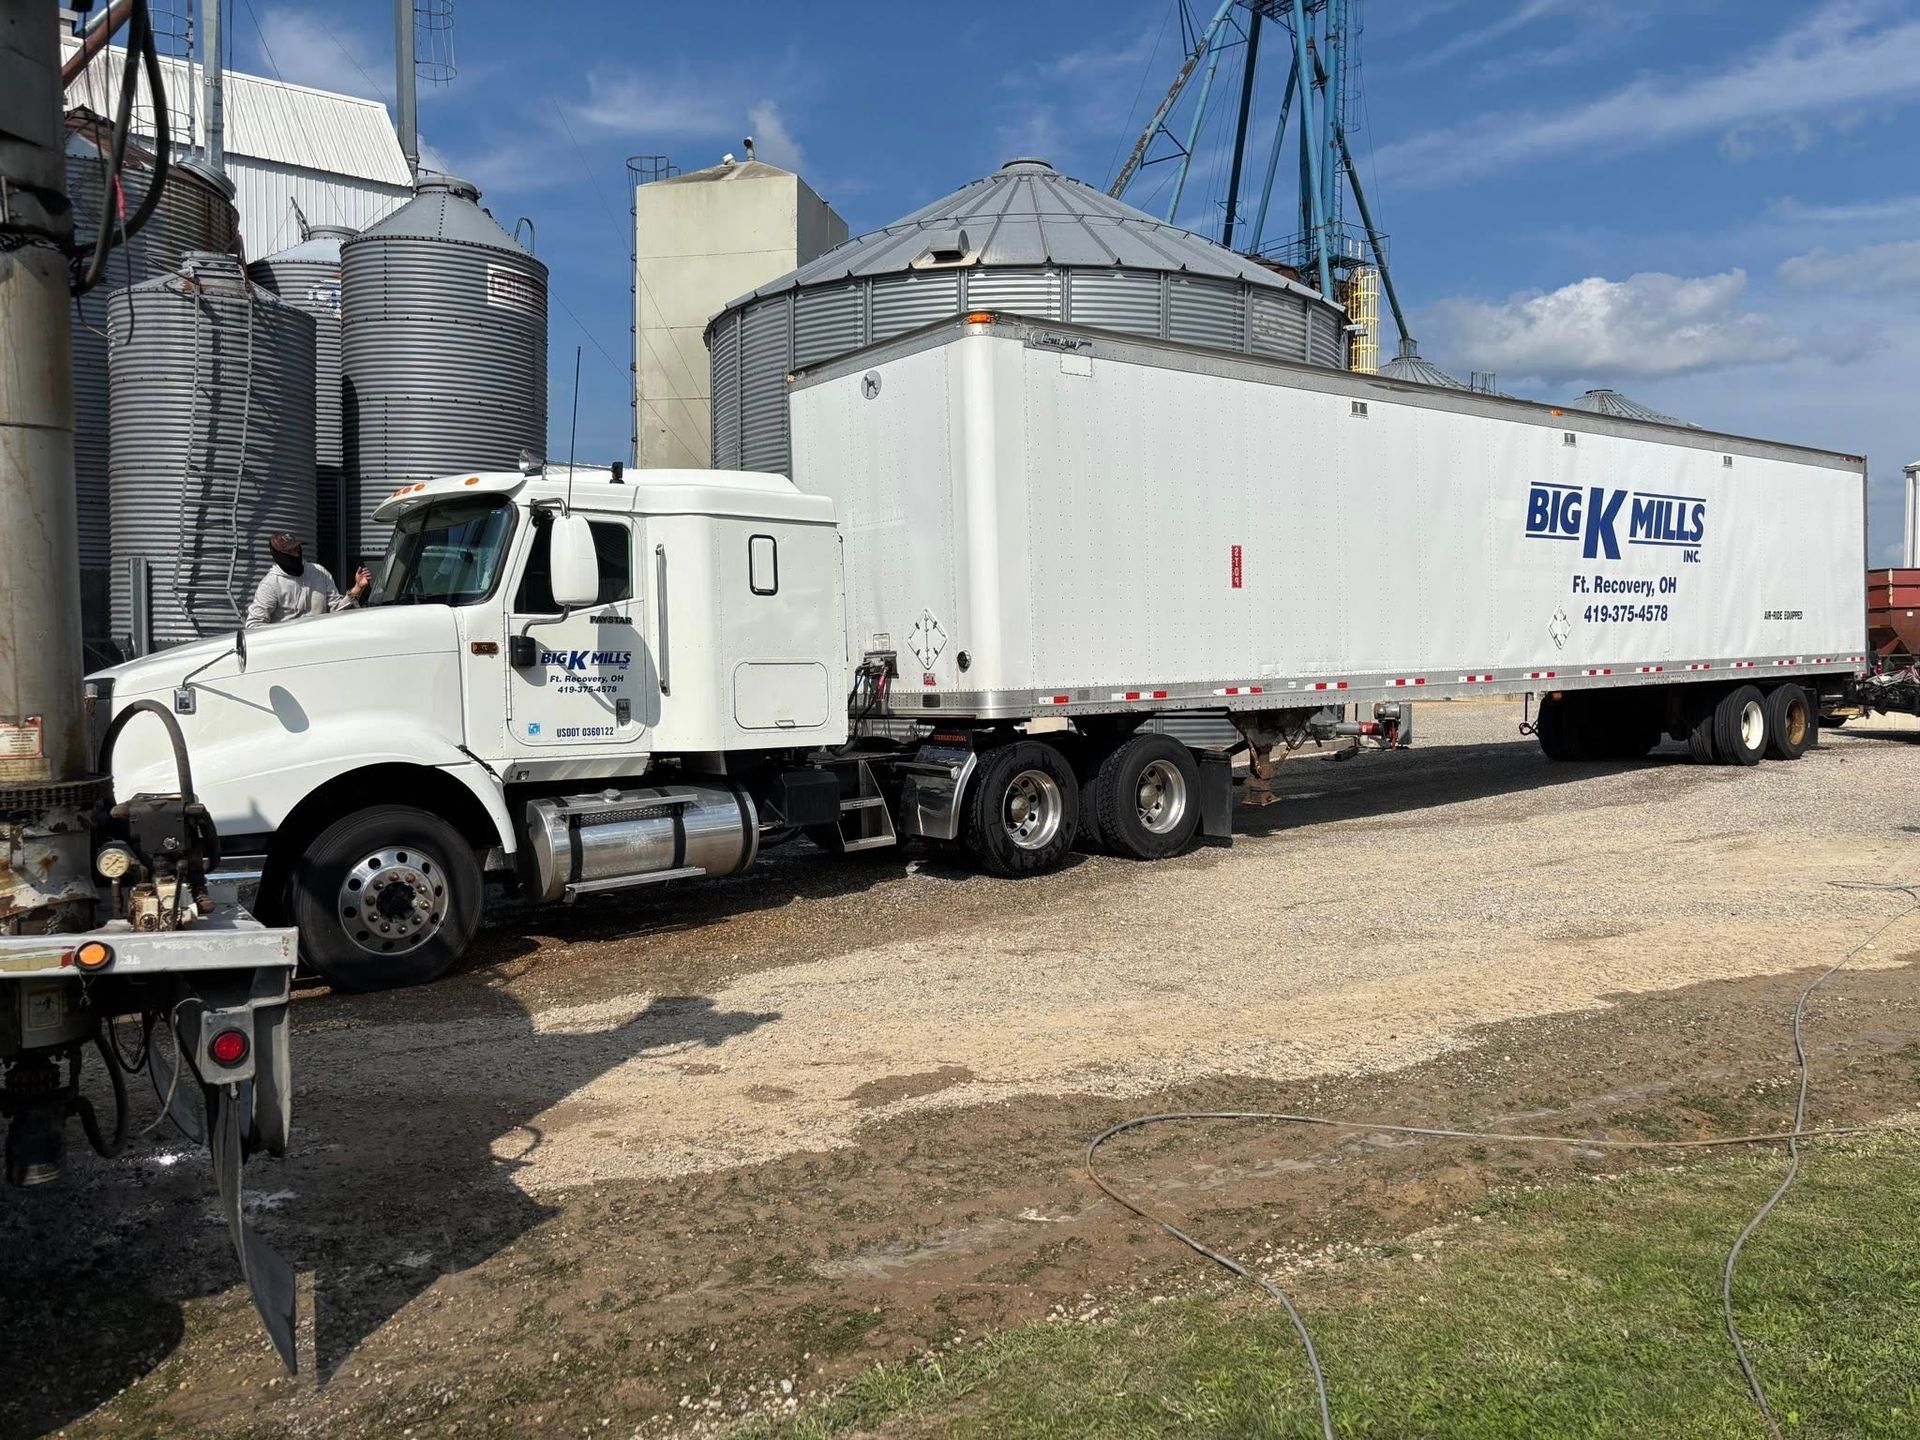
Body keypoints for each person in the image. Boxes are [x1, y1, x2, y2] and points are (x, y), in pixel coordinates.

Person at [245, 532, 371, 628]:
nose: (295, 554)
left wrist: (357, 588)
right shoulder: (270, 584)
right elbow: (254, 625)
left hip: (318, 644)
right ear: (278, 555)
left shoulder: (319, 572)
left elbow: (336, 612)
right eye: (289, 552)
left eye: (296, 549)